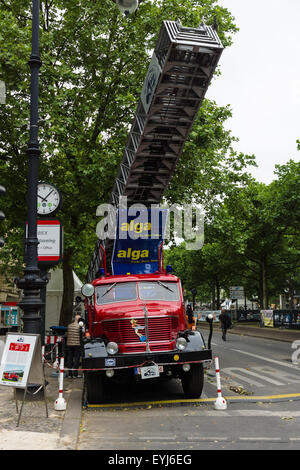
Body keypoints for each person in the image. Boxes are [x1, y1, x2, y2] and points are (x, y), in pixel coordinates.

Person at [65, 313, 83, 378]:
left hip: (69, 344)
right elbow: (81, 335)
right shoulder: (80, 326)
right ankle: (75, 374)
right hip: (77, 345)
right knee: (76, 359)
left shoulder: (69, 326)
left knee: (69, 358)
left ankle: (69, 374)